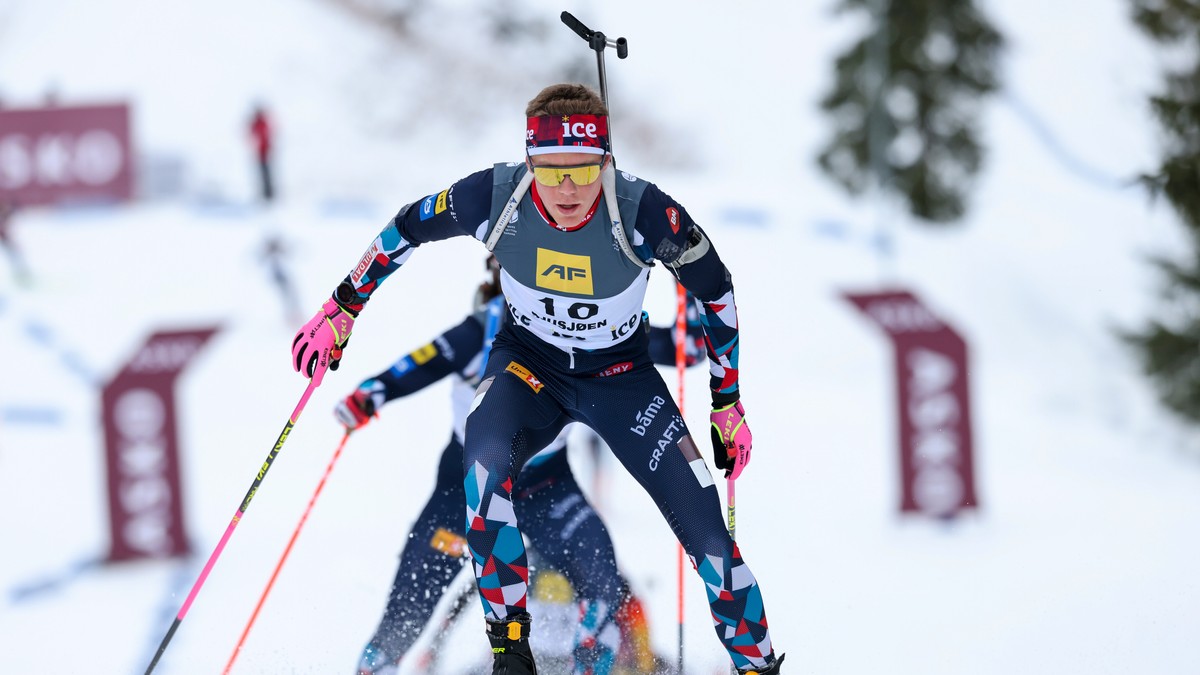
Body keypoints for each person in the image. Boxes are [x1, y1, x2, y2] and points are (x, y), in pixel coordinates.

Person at [291, 83, 785, 675]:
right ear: (530, 165)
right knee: (482, 472)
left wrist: (727, 403)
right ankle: (512, 658)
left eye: (583, 172)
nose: (569, 190)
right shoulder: (495, 197)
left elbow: (717, 289)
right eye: (551, 175)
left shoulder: (645, 211)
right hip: (530, 368)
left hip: (621, 379)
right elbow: (404, 230)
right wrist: (342, 307)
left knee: (713, 547)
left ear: (606, 162)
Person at [340, 255, 703, 675]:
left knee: (601, 580)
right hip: (466, 491)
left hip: (546, 489)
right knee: (407, 610)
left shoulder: (603, 327)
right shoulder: (484, 327)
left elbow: (688, 348)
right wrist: (371, 395)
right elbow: (417, 366)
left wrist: (688, 285)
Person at [248, 105, 274, 202]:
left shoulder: (263, 123)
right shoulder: (256, 123)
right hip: (259, 153)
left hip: (265, 152)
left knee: (267, 174)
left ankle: (269, 194)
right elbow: (252, 135)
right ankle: (265, 194)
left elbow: (268, 135)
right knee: (262, 174)